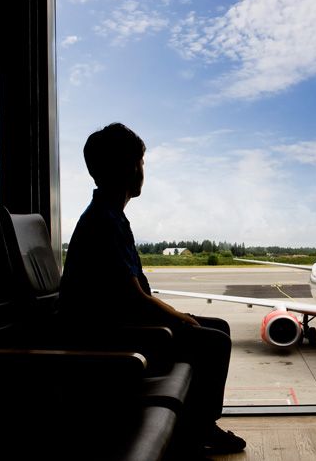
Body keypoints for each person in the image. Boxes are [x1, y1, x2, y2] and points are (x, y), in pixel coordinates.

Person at [58, 122, 245, 456]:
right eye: (141, 163)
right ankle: (199, 429)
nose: (143, 170)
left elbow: (130, 292)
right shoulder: (104, 221)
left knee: (219, 327)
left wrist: (177, 316)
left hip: (116, 323)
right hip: (107, 335)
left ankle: (199, 424)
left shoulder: (108, 215)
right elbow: (133, 297)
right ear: (129, 167)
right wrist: (178, 317)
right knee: (214, 340)